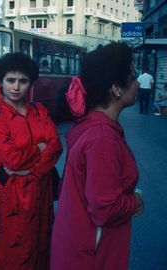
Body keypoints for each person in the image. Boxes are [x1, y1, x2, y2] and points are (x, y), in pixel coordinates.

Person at [51, 43, 144, 270]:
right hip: (92, 255)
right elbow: (104, 209)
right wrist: (136, 200)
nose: (138, 83)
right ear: (116, 89)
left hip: (75, 245)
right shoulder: (102, 138)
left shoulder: (91, 126)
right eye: (132, 77)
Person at [0, 52, 62, 270]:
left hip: (42, 191)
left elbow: (56, 147)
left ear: (31, 83)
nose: (16, 87)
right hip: (13, 195)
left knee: (42, 246)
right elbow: (11, 159)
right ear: (1, 82)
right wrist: (39, 147)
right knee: (13, 252)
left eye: (23, 81)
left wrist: (31, 171)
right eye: (10, 80)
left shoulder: (40, 111)